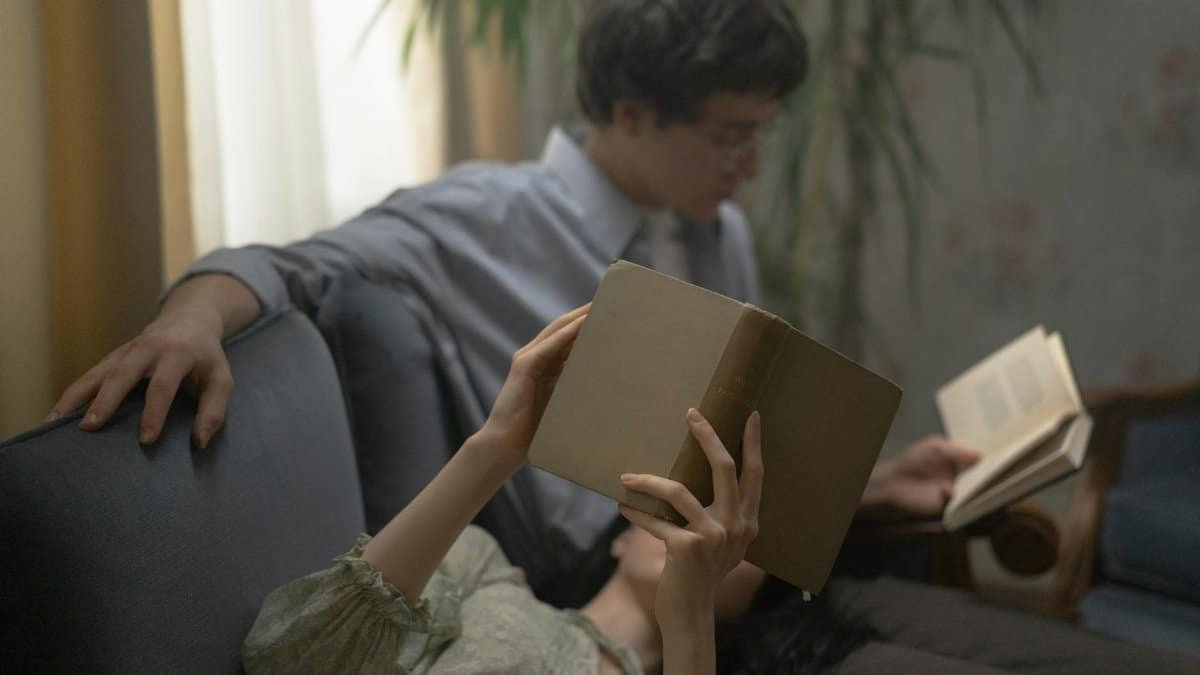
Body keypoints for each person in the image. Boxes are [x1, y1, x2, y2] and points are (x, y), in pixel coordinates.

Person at [45, 0, 974, 601]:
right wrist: (190, 318)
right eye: (731, 138)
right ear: (632, 112)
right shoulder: (484, 216)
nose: (752, 167)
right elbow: (281, 262)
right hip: (606, 578)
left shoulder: (715, 229)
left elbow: (731, 438)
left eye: (761, 135)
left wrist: (871, 488)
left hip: (721, 558)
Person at [243, 304, 768, 674]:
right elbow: (289, 661)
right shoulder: (479, 569)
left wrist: (690, 622)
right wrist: (495, 449)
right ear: (622, 536)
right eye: (692, 496)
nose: (699, 521)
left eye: (739, 523)